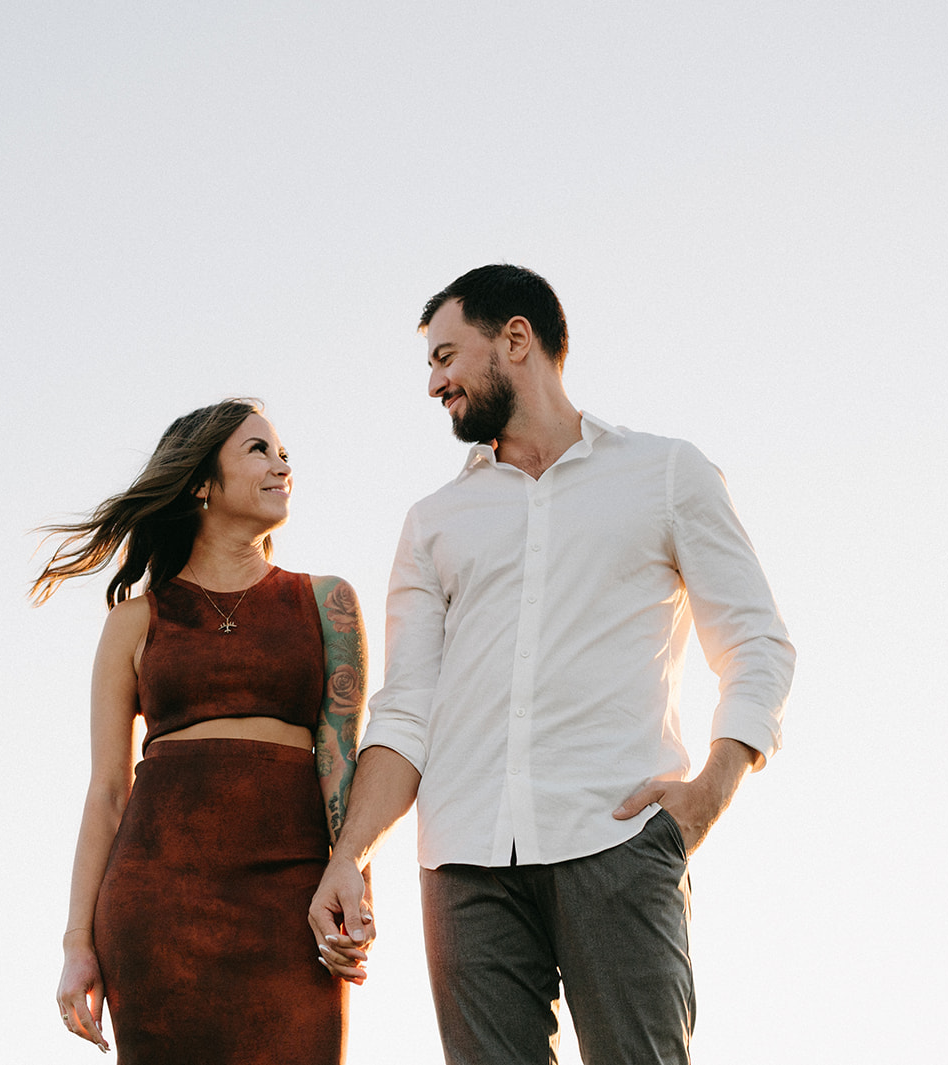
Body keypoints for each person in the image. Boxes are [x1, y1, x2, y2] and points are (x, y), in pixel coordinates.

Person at [309, 265, 795, 1064]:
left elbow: (757, 642)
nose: (434, 382)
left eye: (445, 356)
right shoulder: (433, 522)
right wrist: (351, 855)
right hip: (463, 864)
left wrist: (708, 794)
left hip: (619, 841)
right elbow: (408, 708)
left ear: (517, 339)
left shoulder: (667, 473)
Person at [35, 398, 367, 1064]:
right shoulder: (135, 620)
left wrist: (352, 876)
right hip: (157, 903)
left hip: (290, 900)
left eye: (284, 454)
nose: (282, 465)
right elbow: (106, 790)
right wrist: (78, 944)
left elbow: (341, 762)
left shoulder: (327, 600)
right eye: (259, 450)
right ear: (201, 483)